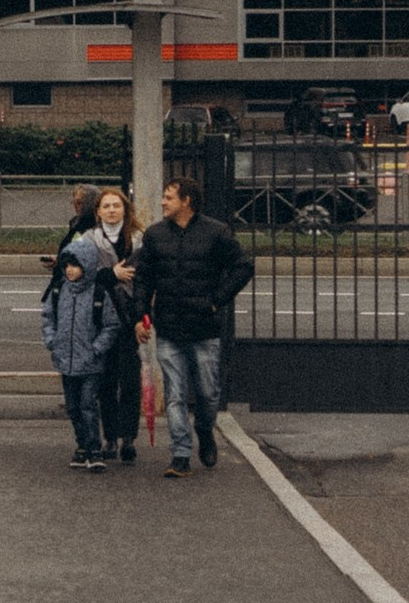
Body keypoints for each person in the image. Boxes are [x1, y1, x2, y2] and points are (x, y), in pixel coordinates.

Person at [130, 177, 255, 478]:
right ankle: (181, 454)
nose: (162, 202)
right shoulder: (156, 235)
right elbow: (143, 278)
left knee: (208, 393)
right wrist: (140, 316)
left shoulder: (216, 233)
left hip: (205, 328)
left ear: (186, 201)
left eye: (169, 197)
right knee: (174, 394)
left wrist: (216, 300)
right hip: (169, 327)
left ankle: (205, 430)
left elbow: (243, 265)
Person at [41, 230, 120, 471]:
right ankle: (81, 445)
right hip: (66, 359)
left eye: (76, 266)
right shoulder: (59, 290)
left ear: (87, 266)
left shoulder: (98, 293)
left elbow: (111, 325)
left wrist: (97, 348)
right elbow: (47, 317)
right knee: (73, 407)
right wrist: (52, 340)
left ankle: (94, 447)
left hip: (90, 362)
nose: (70, 271)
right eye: (67, 266)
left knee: (87, 405)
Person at [80, 186, 144, 465]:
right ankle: (110, 438)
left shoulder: (139, 239)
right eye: (105, 206)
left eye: (116, 205)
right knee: (105, 379)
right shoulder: (88, 239)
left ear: (125, 209)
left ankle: (129, 437)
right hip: (100, 316)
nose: (111, 210)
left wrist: (144, 313)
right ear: (97, 212)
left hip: (130, 315)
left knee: (130, 378)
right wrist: (111, 274)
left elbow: (146, 278)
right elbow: (80, 276)